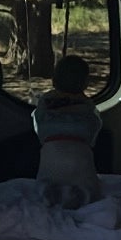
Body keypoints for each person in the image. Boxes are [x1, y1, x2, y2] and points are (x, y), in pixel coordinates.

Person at [33, 54, 102, 209]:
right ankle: (82, 195)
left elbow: (39, 126)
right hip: (80, 154)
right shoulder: (87, 106)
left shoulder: (44, 102)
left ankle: (49, 193)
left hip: (51, 152)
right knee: (88, 185)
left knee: (46, 180)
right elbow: (94, 129)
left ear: (54, 80)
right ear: (85, 83)